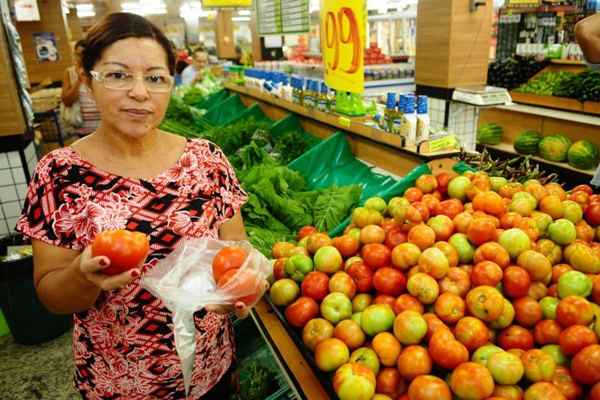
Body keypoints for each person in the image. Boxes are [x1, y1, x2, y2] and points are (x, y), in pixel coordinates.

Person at [16, 12, 258, 399]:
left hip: (210, 369)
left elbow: (237, 250)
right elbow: (51, 296)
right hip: (120, 384)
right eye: (117, 75)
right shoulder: (59, 174)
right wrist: (82, 274)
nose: (140, 92)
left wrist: (241, 288)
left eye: (155, 78)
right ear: (88, 79)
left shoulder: (207, 160)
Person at [61, 39, 101, 137]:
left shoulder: (98, 71)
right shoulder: (69, 73)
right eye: (77, 54)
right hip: (81, 128)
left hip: (102, 127)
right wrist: (78, 80)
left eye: (83, 54)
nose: (80, 58)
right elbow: (67, 101)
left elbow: (105, 91)